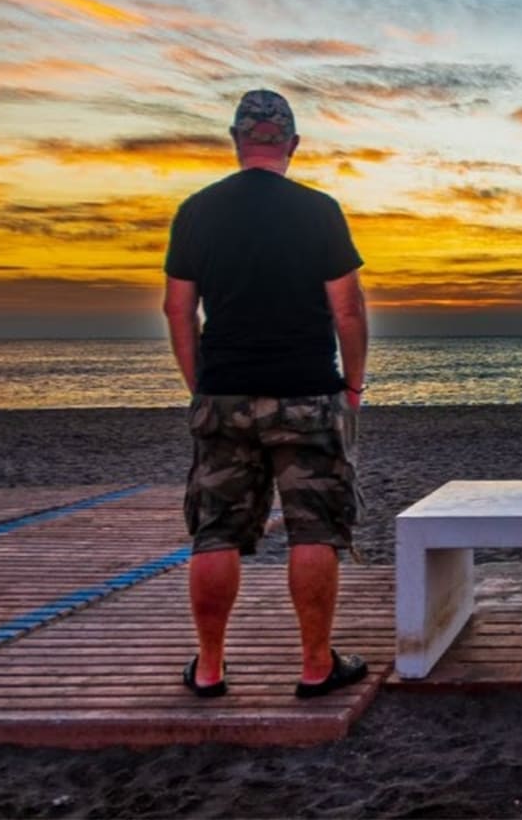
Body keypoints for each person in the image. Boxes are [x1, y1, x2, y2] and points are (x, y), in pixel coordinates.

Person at [162, 88, 369, 699]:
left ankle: (209, 668)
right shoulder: (318, 210)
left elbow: (178, 310)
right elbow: (349, 311)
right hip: (307, 390)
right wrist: (352, 386)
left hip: (224, 391)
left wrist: (201, 383)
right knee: (315, 529)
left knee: (216, 531)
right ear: (292, 144)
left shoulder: (197, 211)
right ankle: (314, 666)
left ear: (236, 140)